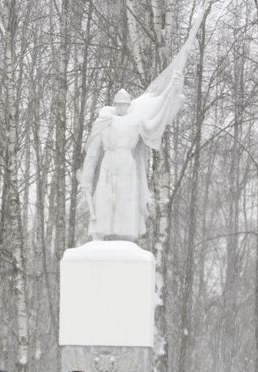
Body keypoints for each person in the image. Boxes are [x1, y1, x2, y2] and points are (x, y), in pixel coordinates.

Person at [79, 9, 205, 241]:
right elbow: (92, 155)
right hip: (108, 165)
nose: (121, 107)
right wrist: (86, 180)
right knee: (106, 202)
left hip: (126, 165)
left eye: (124, 104)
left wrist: (172, 88)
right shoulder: (104, 120)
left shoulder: (137, 118)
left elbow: (156, 111)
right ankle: (102, 233)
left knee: (126, 203)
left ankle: (125, 234)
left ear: (128, 104)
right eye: (118, 104)